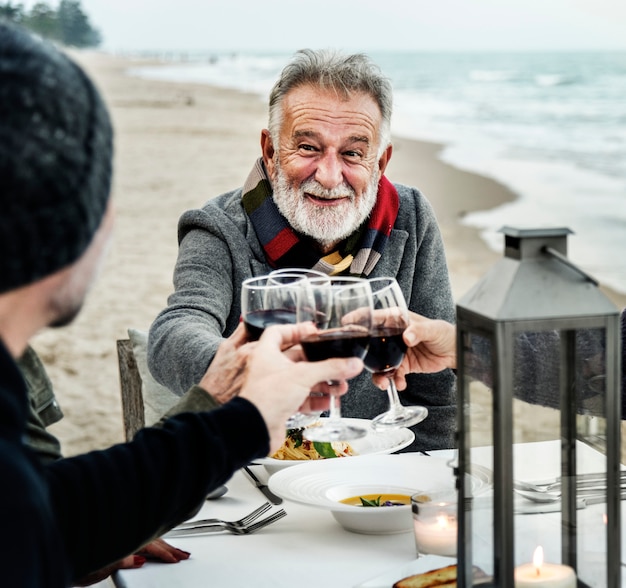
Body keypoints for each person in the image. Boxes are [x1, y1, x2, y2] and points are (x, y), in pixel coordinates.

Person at [0, 22, 362, 588]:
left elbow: (38, 515)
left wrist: (218, 396)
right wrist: (246, 418)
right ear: (71, 219)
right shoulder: (218, 226)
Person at [147, 48, 457, 452]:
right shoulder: (217, 226)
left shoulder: (410, 217)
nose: (330, 178)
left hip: (375, 472)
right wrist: (249, 370)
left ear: (381, 162)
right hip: (256, 468)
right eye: (308, 148)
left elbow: (436, 389)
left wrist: (420, 481)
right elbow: (174, 332)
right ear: (272, 151)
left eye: (352, 153)